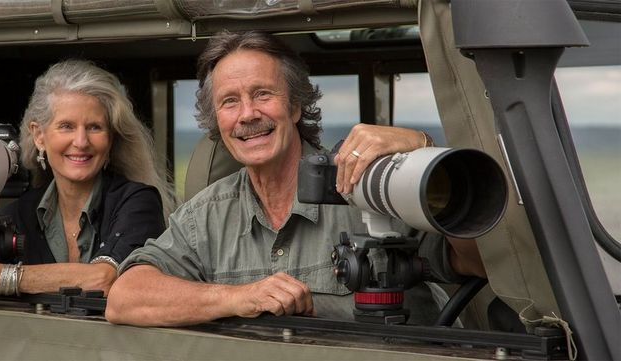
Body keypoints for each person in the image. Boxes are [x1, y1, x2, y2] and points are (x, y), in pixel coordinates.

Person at [105, 31, 485, 326]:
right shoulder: (205, 215)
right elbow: (125, 297)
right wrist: (238, 298)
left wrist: (425, 155)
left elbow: (481, 263)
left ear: (296, 105)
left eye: (262, 94)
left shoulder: (369, 187)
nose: (247, 114)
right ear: (217, 122)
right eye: (230, 101)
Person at [0, 59, 174, 311]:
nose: (81, 142)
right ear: (39, 136)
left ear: (111, 139)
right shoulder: (22, 212)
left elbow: (103, 279)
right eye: (67, 126)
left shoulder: (137, 201)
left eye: (95, 127)